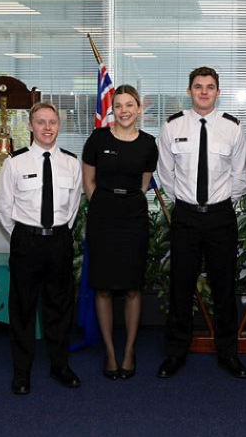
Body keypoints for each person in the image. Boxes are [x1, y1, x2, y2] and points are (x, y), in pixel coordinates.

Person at [156, 66, 246, 379]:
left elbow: (240, 176)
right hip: (185, 216)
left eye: (210, 87)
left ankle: (229, 354)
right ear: (189, 91)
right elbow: (166, 175)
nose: (204, 92)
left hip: (221, 216)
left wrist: (218, 200)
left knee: (224, 287)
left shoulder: (232, 128)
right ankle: (175, 354)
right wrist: (189, 201)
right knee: (180, 287)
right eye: (198, 86)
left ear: (218, 92)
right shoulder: (172, 126)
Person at [0, 102, 83, 395]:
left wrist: (56, 233)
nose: (47, 127)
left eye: (53, 122)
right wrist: (24, 235)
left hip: (59, 241)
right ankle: (22, 372)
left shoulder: (72, 163)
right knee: (22, 308)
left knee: (59, 308)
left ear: (59, 126)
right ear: (31, 126)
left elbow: (72, 208)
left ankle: (60, 366)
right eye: (41, 122)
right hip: (26, 241)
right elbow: (4, 208)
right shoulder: (15, 162)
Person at [82, 85, 158, 380]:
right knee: (102, 287)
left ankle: (128, 351)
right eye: (119, 105)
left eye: (130, 105)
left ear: (139, 109)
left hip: (133, 218)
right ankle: (111, 352)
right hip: (103, 216)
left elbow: (143, 184)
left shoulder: (148, 144)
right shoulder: (98, 139)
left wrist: (125, 203)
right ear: (112, 108)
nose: (125, 110)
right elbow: (88, 181)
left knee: (132, 287)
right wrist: (103, 204)